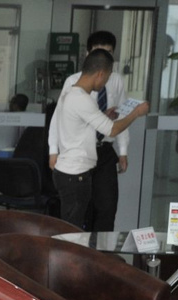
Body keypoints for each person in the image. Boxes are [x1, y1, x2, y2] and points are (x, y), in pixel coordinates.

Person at [49, 49, 149, 228]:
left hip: (69, 171)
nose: (105, 84)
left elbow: (81, 122)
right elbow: (112, 130)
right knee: (73, 230)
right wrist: (136, 113)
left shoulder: (70, 93)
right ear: (100, 74)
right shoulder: (82, 99)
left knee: (75, 224)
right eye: (107, 78)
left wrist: (104, 116)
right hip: (75, 174)